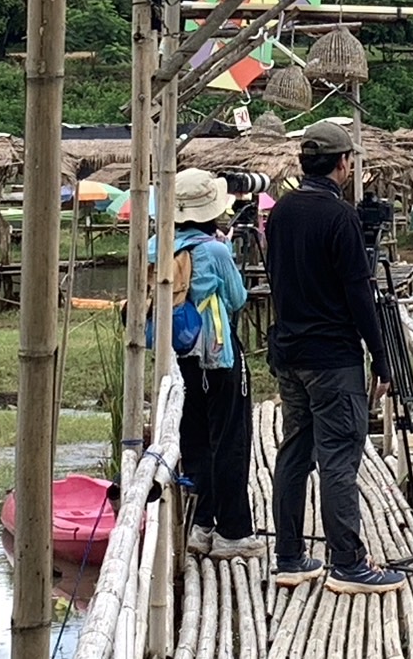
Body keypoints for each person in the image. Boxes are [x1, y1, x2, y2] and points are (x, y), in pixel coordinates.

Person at [265, 121, 407, 594]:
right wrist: (382, 358)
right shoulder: (341, 217)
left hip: (290, 353)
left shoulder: (280, 213)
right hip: (332, 358)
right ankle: (348, 561)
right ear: (343, 163)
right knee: (339, 456)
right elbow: (358, 295)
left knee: (295, 449)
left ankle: (288, 556)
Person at [152, 168, 261, 558]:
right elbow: (237, 298)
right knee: (230, 439)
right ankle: (232, 532)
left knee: (195, 440)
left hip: (177, 358)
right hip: (218, 354)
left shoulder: (156, 246)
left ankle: (200, 526)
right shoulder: (213, 250)